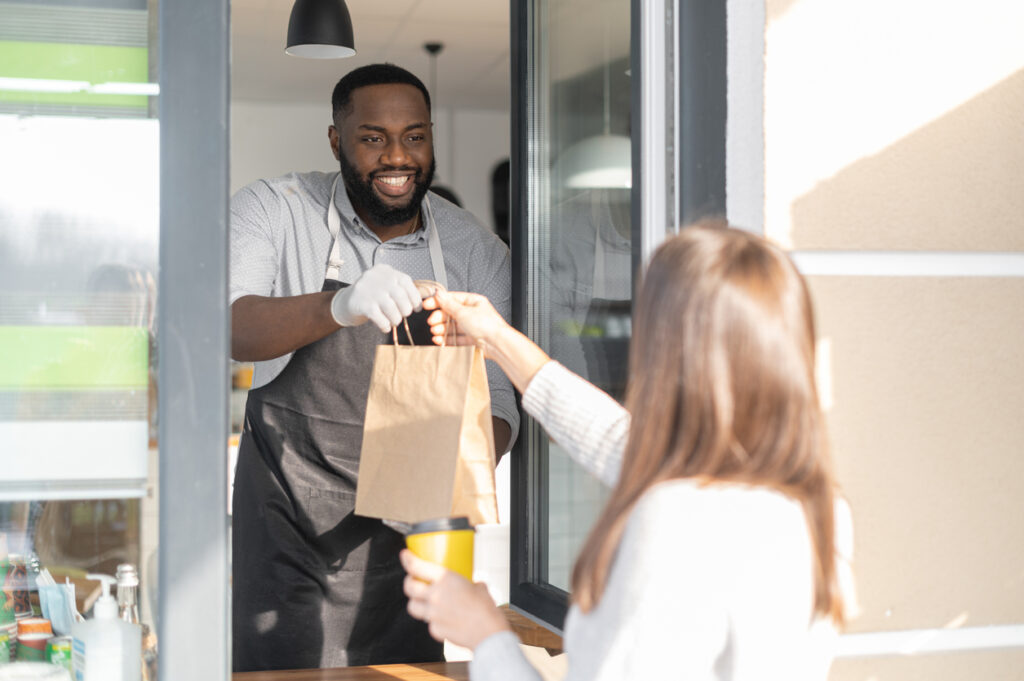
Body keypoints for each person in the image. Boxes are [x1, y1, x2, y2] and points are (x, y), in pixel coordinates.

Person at [404, 221, 856, 680]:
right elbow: (611, 437)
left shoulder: (676, 517)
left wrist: (485, 636)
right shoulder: (814, 505)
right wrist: (496, 338)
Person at [229, 63, 519, 671]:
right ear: (336, 140)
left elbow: (499, 400)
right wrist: (340, 304)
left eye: (415, 136)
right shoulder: (274, 209)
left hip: (409, 543)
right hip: (286, 529)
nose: (397, 156)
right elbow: (230, 326)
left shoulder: (478, 254)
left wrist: (447, 475)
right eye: (372, 137)